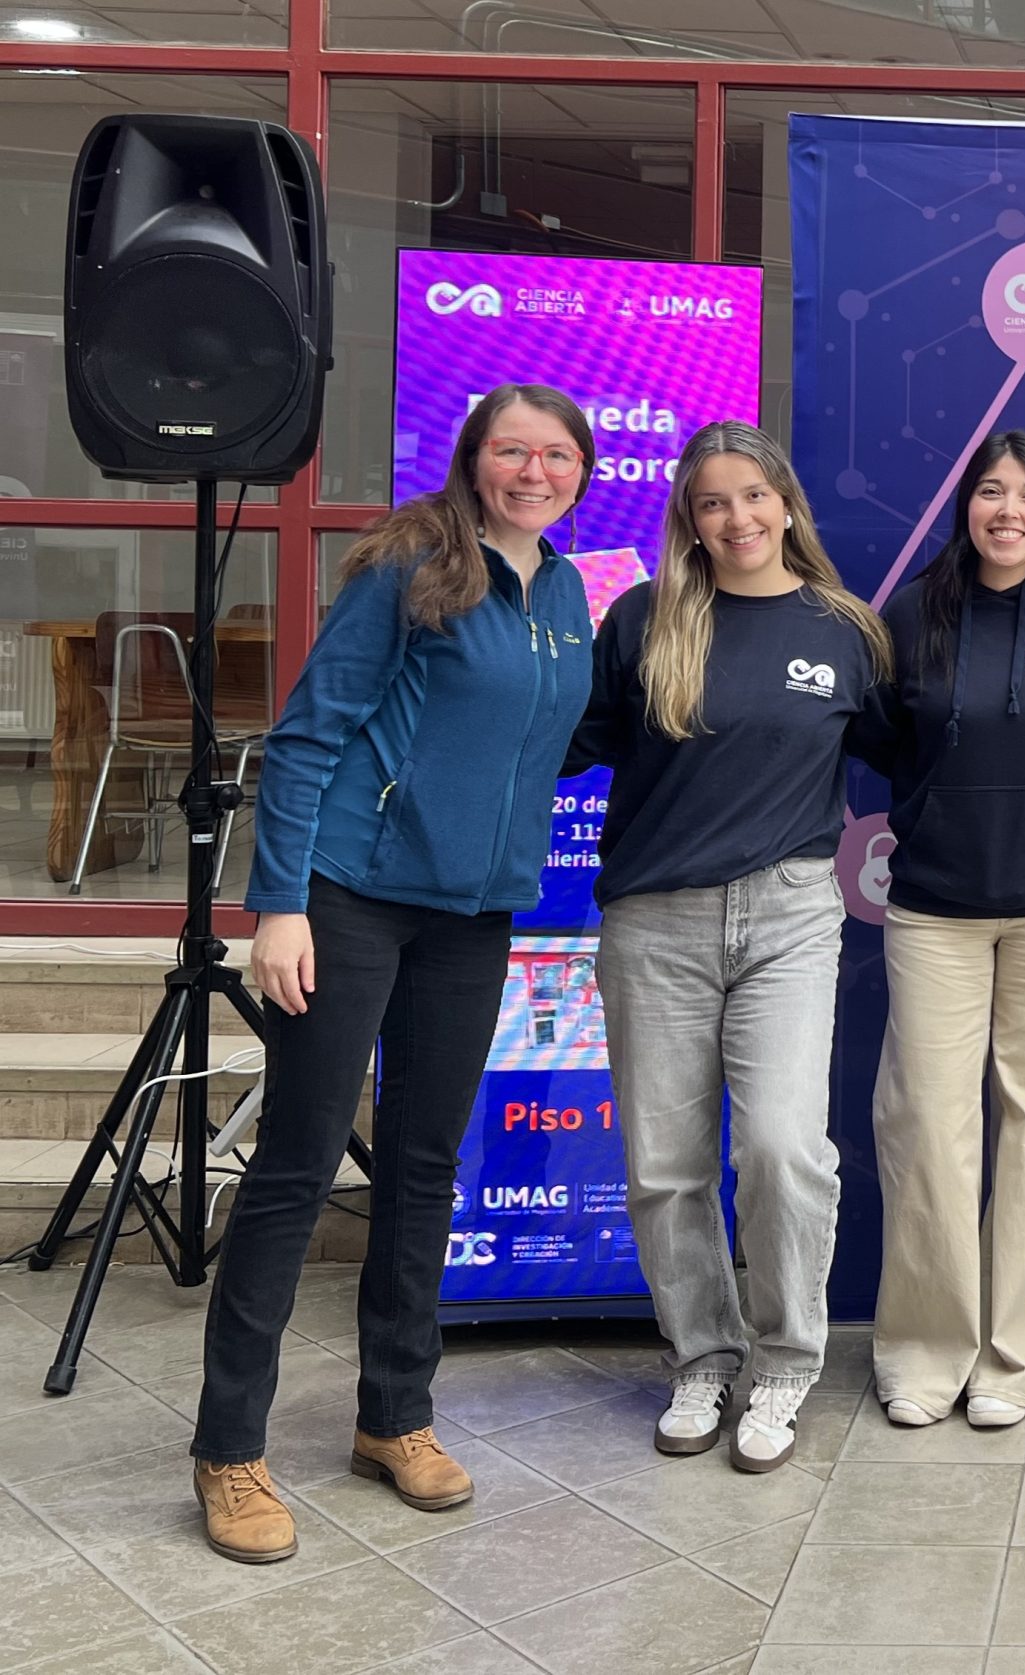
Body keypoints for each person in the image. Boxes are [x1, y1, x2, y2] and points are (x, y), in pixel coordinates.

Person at [194, 385, 596, 1563]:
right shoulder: (412, 563)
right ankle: (228, 1450)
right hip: (351, 900)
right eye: (511, 449)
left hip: (474, 916)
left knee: (424, 1164)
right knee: (298, 1164)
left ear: (582, 468)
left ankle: (394, 1417)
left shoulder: (567, 592)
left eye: (556, 452)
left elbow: (548, 738)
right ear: (473, 460)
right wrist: (276, 907)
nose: (534, 469)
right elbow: (313, 732)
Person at [567, 423, 888, 1471]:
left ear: (786, 503)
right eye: (713, 503)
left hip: (791, 914)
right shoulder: (646, 621)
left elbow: (916, 755)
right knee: (665, 1166)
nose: (738, 518)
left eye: (754, 497)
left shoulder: (844, 628)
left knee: (785, 1149)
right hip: (655, 921)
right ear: (689, 521)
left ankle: (787, 1361)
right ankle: (702, 1356)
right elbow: (563, 739)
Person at [852, 429, 1025, 1429]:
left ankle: (1016, 1358)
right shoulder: (916, 613)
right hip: (934, 909)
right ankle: (926, 1354)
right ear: (967, 505)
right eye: (989, 492)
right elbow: (881, 737)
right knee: (928, 1128)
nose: (1007, 510)